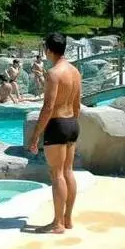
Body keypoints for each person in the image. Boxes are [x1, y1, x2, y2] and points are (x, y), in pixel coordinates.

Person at [26, 32, 82, 234]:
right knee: (68, 171)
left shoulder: (53, 73)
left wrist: (35, 136)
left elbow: (48, 107)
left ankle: (57, 223)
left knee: (56, 173)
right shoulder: (75, 72)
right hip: (72, 123)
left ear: (48, 50)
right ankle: (67, 219)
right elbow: (77, 105)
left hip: (57, 124)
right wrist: (72, 125)